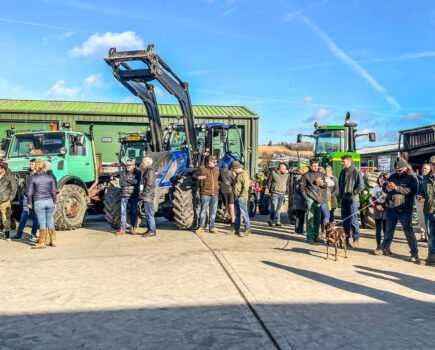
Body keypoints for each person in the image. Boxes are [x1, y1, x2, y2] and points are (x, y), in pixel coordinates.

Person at [374, 157, 420, 263]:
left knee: (408, 231)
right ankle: (385, 247)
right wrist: (387, 189)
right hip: (391, 208)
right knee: (389, 230)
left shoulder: (411, 178)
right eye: (396, 170)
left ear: (405, 168)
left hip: (405, 209)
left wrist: (397, 188)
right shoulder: (392, 177)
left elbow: (412, 190)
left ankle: (414, 253)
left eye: (400, 170)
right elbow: (385, 188)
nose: (398, 172)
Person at [28, 159, 56, 249]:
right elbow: (54, 191)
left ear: (36, 168)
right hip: (49, 201)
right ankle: (53, 241)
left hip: (38, 201)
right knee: (49, 221)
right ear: (44, 168)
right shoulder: (50, 177)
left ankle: (41, 242)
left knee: (42, 222)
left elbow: (29, 193)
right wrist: (54, 202)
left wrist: (29, 202)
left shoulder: (33, 178)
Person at [338, 154, 364, 248]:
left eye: (343, 161)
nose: (342, 163)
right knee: (345, 220)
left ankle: (356, 240)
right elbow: (340, 185)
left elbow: (361, 186)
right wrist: (340, 196)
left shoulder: (355, 171)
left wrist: (353, 193)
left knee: (353, 220)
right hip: (344, 199)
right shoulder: (342, 172)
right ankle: (346, 239)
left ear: (349, 161)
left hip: (353, 200)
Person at [300, 158, 326, 243]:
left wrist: (323, 184)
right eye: (314, 166)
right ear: (310, 166)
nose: (315, 167)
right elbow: (302, 188)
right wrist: (306, 198)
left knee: (317, 219)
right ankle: (310, 237)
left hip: (319, 199)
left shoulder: (321, 174)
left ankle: (316, 236)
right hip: (310, 198)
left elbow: (325, 185)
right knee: (309, 219)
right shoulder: (306, 175)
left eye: (317, 166)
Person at [12, 159, 39, 241]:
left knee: (35, 217)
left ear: (36, 165)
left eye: (32, 164)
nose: (31, 166)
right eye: (30, 164)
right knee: (24, 215)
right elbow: (23, 185)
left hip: (35, 198)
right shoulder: (27, 175)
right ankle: (19, 233)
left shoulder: (39, 175)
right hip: (27, 197)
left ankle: (33, 234)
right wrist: (24, 193)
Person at [417, 155, 435, 265]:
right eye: (433, 164)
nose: (434, 166)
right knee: (431, 234)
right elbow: (423, 192)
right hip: (429, 210)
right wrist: (421, 196)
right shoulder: (426, 178)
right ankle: (431, 255)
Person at [194, 155, 220, 234]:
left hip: (215, 193)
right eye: (213, 162)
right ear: (209, 162)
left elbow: (220, 178)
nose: (215, 163)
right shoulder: (202, 168)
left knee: (213, 211)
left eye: (216, 162)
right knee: (203, 211)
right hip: (205, 193)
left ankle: (211, 227)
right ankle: (201, 227)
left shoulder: (217, 169)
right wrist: (198, 177)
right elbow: (194, 175)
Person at [116, 159, 141, 236]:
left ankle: (132, 228)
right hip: (124, 195)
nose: (128, 166)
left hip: (134, 195)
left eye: (129, 165)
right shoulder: (122, 173)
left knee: (133, 212)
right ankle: (122, 229)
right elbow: (121, 183)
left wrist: (127, 180)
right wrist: (131, 181)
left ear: (133, 166)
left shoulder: (138, 173)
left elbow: (136, 182)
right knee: (123, 213)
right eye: (127, 165)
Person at [231, 161, 251, 237]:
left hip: (241, 198)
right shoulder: (238, 175)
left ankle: (247, 230)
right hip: (237, 197)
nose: (233, 170)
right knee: (237, 214)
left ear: (236, 168)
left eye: (234, 169)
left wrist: (240, 196)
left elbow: (246, 187)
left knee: (244, 213)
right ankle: (237, 229)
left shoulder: (244, 175)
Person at [267, 163, 289, 227]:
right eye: (284, 169)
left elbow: (287, 183)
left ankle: (277, 221)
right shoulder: (273, 173)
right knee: (274, 207)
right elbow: (269, 182)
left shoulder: (286, 175)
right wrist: (270, 191)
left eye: (285, 169)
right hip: (275, 193)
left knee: (279, 208)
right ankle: (271, 220)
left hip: (282, 194)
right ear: (280, 168)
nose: (285, 170)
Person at [0, 162, 18, 241]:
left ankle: (7, 235)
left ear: (4, 168)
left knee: (6, 218)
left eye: (1, 167)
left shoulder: (9, 177)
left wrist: (9, 199)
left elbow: (14, 189)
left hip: (5, 199)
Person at [139, 157, 157, 237]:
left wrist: (144, 193)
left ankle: (152, 231)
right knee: (147, 214)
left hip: (148, 195)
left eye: (143, 162)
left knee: (149, 214)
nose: (142, 164)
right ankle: (149, 229)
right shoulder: (146, 171)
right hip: (147, 195)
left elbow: (149, 184)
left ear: (148, 163)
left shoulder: (150, 171)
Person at [371, 173, 388, 249]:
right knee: (378, 228)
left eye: (383, 179)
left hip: (385, 210)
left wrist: (383, 206)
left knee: (385, 228)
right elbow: (373, 198)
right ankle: (378, 245)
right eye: (380, 178)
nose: (381, 180)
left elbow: (389, 198)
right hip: (377, 209)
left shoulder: (387, 188)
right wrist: (377, 205)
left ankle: (385, 245)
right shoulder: (376, 188)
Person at [416, 163, 430, 242]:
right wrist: (416, 196)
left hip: (427, 202)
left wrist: (425, 199)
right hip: (418, 201)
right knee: (421, 219)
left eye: (425, 168)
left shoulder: (431, 179)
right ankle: (423, 236)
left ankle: (429, 236)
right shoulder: (418, 178)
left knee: (428, 219)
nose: (423, 170)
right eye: (423, 168)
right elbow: (414, 188)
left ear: (429, 170)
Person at [293, 166, 309, 234]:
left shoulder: (297, 179)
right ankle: (299, 230)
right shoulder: (301, 179)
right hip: (301, 199)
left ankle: (298, 230)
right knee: (301, 215)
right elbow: (300, 189)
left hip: (297, 199)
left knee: (299, 215)